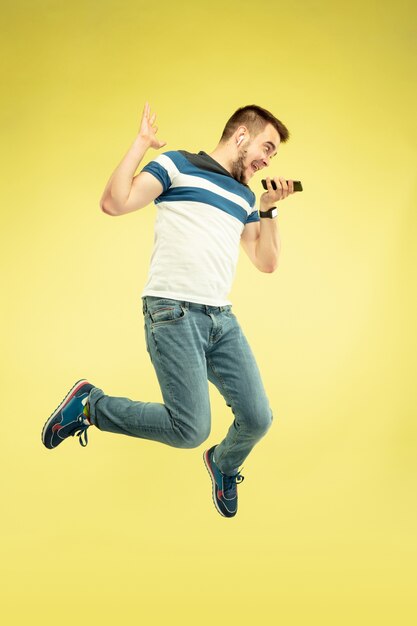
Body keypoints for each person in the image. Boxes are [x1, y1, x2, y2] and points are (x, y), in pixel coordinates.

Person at [41, 102, 295, 518]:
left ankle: (224, 464)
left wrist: (268, 209)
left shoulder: (244, 195)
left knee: (258, 418)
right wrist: (141, 144)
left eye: (274, 156)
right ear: (242, 136)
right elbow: (114, 201)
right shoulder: (176, 166)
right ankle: (91, 406)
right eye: (267, 147)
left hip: (221, 321)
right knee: (190, 429)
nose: (268, 159)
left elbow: (266, 262)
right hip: (172, 313)